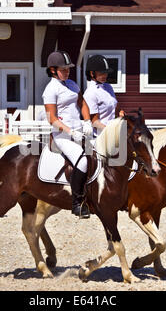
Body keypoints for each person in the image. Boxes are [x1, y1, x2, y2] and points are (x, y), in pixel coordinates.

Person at [42, 50, 93, 219]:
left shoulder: (72, 84)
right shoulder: (50, 90)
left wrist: (86, 120)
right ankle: (77, 203)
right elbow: (52, 119)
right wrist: (70, 132)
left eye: (68, 69)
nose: (67, 71)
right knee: (83, 161)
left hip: (79, 130)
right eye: (63, 69)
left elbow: (82, 103)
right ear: (53, 70)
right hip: (62, 135)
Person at [83, 55, 125, 137]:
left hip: (114, 131)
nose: (105, 75)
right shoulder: (90, 93)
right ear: (92, 73)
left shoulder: (108, 87)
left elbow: (115, 109)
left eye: (106, 72)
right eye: (102, 73)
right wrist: (110, 132)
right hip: (100, 136)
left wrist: (120, 113)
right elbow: (94, 122)